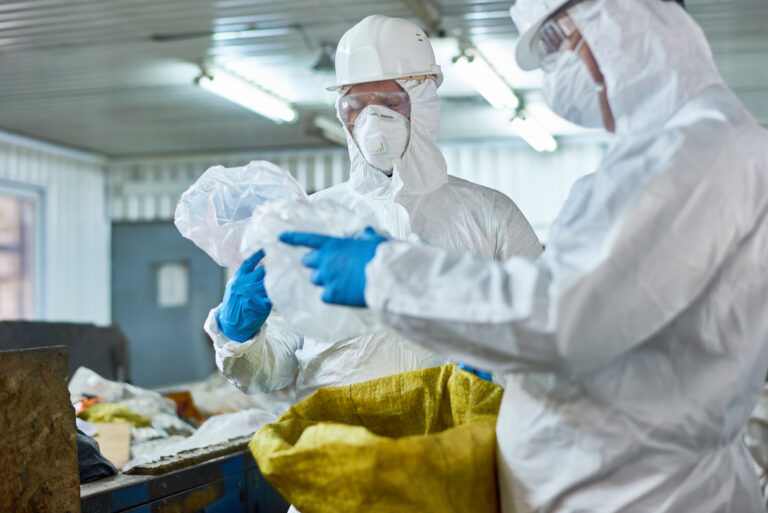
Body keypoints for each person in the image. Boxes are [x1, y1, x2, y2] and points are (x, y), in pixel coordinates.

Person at [281, 0, 768, 511]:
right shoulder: (665, 156)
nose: (554, 72)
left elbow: (566, 312)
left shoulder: (692, 156)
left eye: (558, 41)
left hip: (648, 496)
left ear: (620, 23)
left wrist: (386, 274)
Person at [204, 14, 541, 405]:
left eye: (390, 102)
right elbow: (272, 370)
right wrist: (240, 337)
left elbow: (548, 322)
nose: (372, 119)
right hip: (344, 445)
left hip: (459, 442)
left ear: (424, 102)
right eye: (357, 105)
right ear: (341, 112)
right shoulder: (313, 218)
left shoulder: (490, 214)